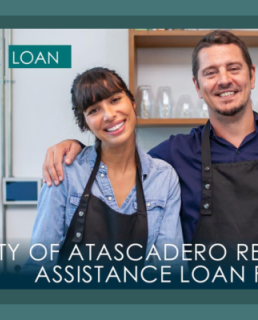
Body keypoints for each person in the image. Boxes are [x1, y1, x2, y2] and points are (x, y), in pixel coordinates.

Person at [41, 31, 258, 274]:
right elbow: (118, 163)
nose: (224, 80)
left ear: (252, 75)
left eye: (233, 68)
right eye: (210, 72)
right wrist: (77, 149)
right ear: (197, 86)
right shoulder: (172, 155)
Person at [24, 67, 184, 273]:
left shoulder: (163, 177)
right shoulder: (65, 173)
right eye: (94, 110)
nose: (109, 115)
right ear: (85, 124)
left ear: (132, 103)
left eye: (115, 100)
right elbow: (38, 265)